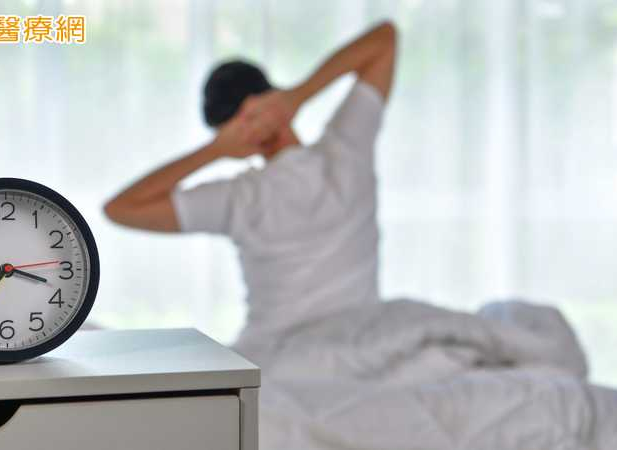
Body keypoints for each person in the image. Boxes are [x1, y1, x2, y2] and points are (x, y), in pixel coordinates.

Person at [104, 21, 397, 350]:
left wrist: (217, 148)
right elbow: (385, 40)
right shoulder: (346, 151)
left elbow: (121, 208)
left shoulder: (241, 196)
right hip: (343, 348)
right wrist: (295, 97)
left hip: (284, 353)